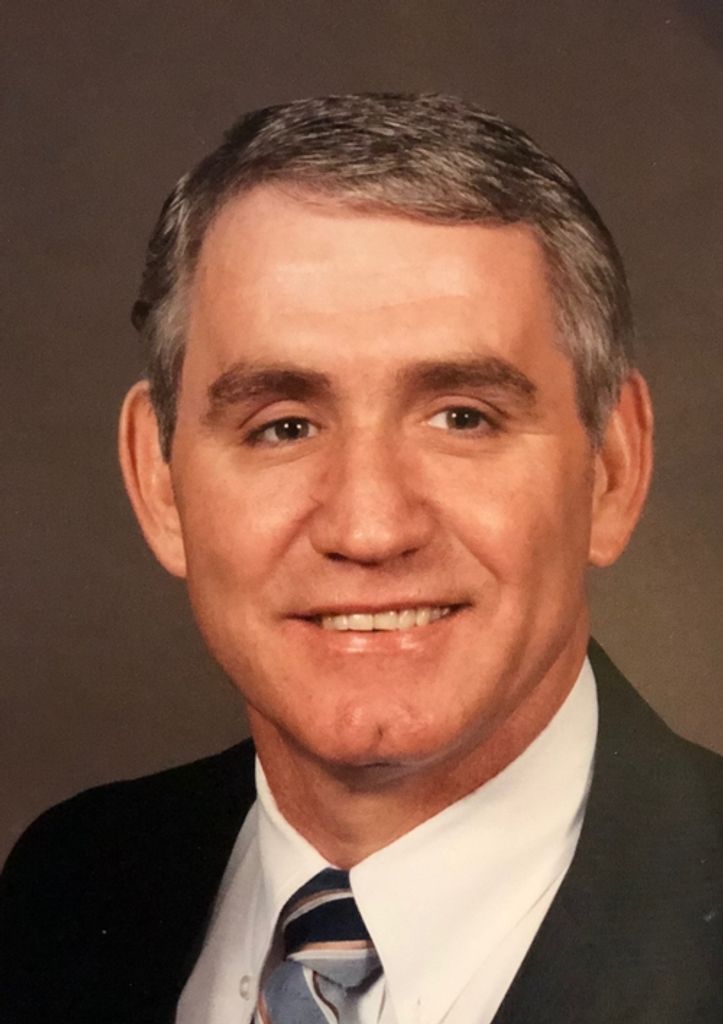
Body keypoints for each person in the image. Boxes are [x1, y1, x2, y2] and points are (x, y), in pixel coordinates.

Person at [1, 93, 721, 1024]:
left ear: (611, 470)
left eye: (462, 418)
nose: (371, 528)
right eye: (283, 426)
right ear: (160, 481)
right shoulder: (65, 890)